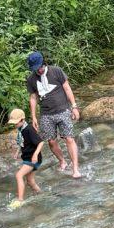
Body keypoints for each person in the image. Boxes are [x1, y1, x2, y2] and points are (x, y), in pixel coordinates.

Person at [24, 51, 81, 180]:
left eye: (39, 67)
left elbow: (67, 88)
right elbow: (33, 98)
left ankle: (75, 169)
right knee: (51, 141)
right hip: (46, 114)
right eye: (35, 69)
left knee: (69, 139)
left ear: (44, 63)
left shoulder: (56, 71)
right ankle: (62, 161)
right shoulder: (31, 79)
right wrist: (33, 116)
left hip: (63, 110)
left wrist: (74, 107)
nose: (38, 70)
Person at [6, 108, 43, 208]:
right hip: (27, 158)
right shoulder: (20, 129)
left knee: (19, 175)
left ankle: (20, 200)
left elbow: (40, 142)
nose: (15, 125)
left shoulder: (29, 129)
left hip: (33, 158)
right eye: (13, 123)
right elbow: (22, 143)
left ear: (23, 120)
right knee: (30, 182)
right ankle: (41, 195)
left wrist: (35, 155)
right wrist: (17, 152)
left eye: (16, 123)